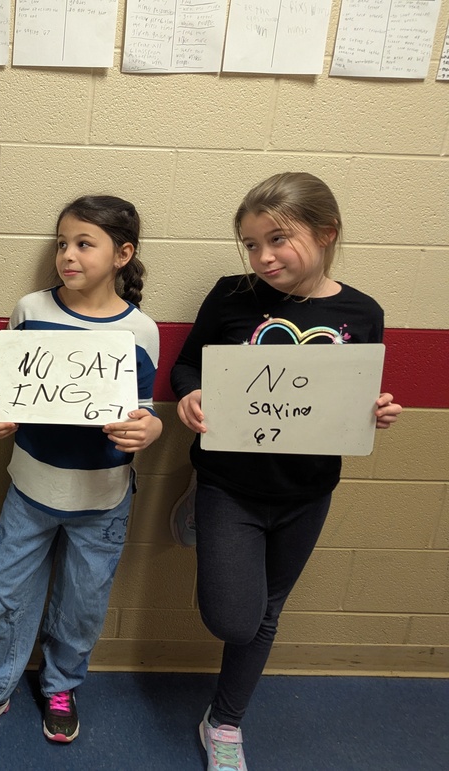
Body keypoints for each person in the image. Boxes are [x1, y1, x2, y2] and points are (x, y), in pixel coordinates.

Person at [168, 172, 401, 771]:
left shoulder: (362, 313)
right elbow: (188, 365)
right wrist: (190, 395)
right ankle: (196, 509)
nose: (262, 256)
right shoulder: (230, 295)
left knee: (267, 614)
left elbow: (356, 400)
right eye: (250, 243)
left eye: (277, 239)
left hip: (306, 491)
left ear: (327, 234)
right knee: (234, 619)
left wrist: (375, 411)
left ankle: (224, 722)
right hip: (227, 486)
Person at [0, 195, 162, 744]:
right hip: (30, 488)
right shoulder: (30, 310)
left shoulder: (140, 330)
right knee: (4, 594)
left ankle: (61, 684)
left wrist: (151, 430)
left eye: (84, 243)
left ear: (123, 254)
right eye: (61, 244)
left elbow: (142, 411)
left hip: (102, 499)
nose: (68, 255)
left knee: (82, 604)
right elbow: (4, 389)